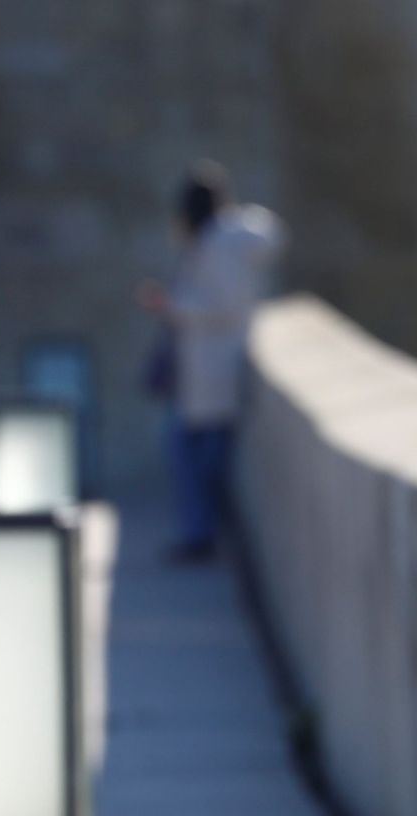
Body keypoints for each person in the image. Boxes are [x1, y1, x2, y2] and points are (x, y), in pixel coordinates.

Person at [138, 160, 284, 563]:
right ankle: (199, 535)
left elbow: (226, 307)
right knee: (198, 459)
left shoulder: (221, 245)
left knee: (195, 461)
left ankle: (200, 537)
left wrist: (171, 305)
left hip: (212, 368)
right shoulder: (224, 240)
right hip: (208, 371)